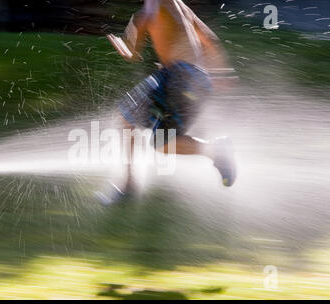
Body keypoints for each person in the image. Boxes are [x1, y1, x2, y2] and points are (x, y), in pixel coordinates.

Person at [98, 0, 237, 204]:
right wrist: (221, 72)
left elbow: (134, 53)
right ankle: (216, 150)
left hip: (178, 76)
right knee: (163, 142)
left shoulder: (149, 8)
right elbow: (208, 39)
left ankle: (128, 185)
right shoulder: (180, 6)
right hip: (199, 81)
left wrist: (125, 48)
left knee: (127, 113)